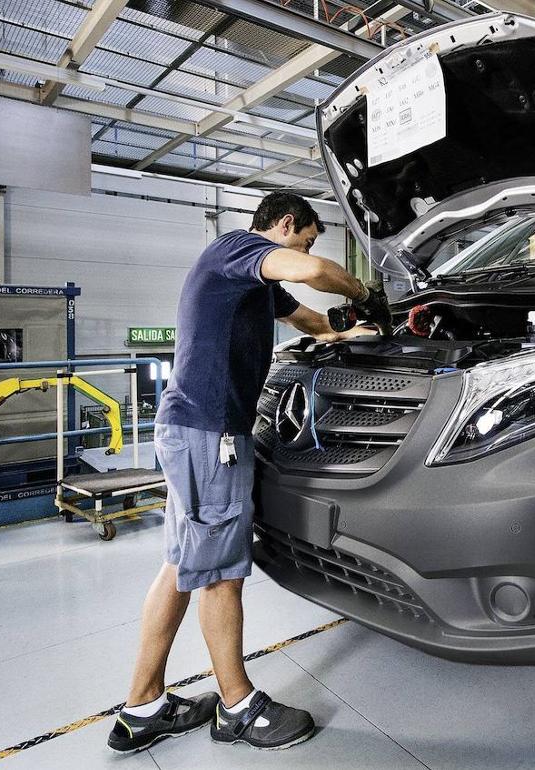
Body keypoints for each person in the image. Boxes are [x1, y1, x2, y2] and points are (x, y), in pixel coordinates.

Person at [108, 192, 390, 753]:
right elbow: (315, 272)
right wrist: (365, 292)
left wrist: (349, 333)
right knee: (220, 573)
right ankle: (237, 709)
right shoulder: (237, 250)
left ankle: (143, 708)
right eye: (307, 235)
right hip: (211, 435)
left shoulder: (254, 283)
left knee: (183, 562)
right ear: (285, 224)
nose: (309, 248)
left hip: (192, 430)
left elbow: (307, 318)